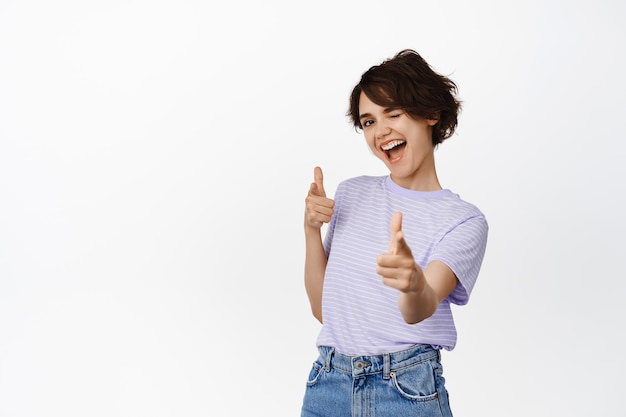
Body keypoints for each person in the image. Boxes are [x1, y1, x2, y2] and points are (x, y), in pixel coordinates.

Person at [300, 49, 489, 417]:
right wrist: (311, 230)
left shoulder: (464, 221)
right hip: (328, 384)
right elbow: (324, 311)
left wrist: (412, 284)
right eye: (368, 121)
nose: (380, 130)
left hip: (405, 390)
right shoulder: (352, 193)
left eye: (394, 113)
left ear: (431, 115)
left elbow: (421, 307)